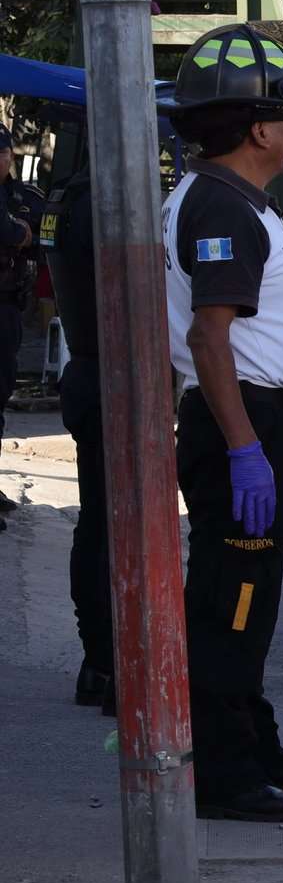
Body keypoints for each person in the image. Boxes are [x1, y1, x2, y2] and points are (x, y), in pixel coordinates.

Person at [164, 23, 283, 821]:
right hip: (245, 422)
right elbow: (211, 338)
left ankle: (252, 746)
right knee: (232, 600)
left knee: (247, 597)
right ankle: (224, 773)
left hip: (258, 421)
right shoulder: (221, 206)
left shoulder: (232, 200)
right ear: (259, 130)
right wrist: (244, 448)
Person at [38, 163, 116, 709]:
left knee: (98, 526)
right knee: (111, 529)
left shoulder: (66, 196)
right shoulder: (101, 201)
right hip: (111, 374)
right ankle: (110, 661)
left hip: (91, 370)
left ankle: (101, 661)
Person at [0, 124, 45, 529]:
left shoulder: (24, 196)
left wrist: (21, 234)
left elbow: (40, 237)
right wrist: (16, 233)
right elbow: (11, 232)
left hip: (7, 308)